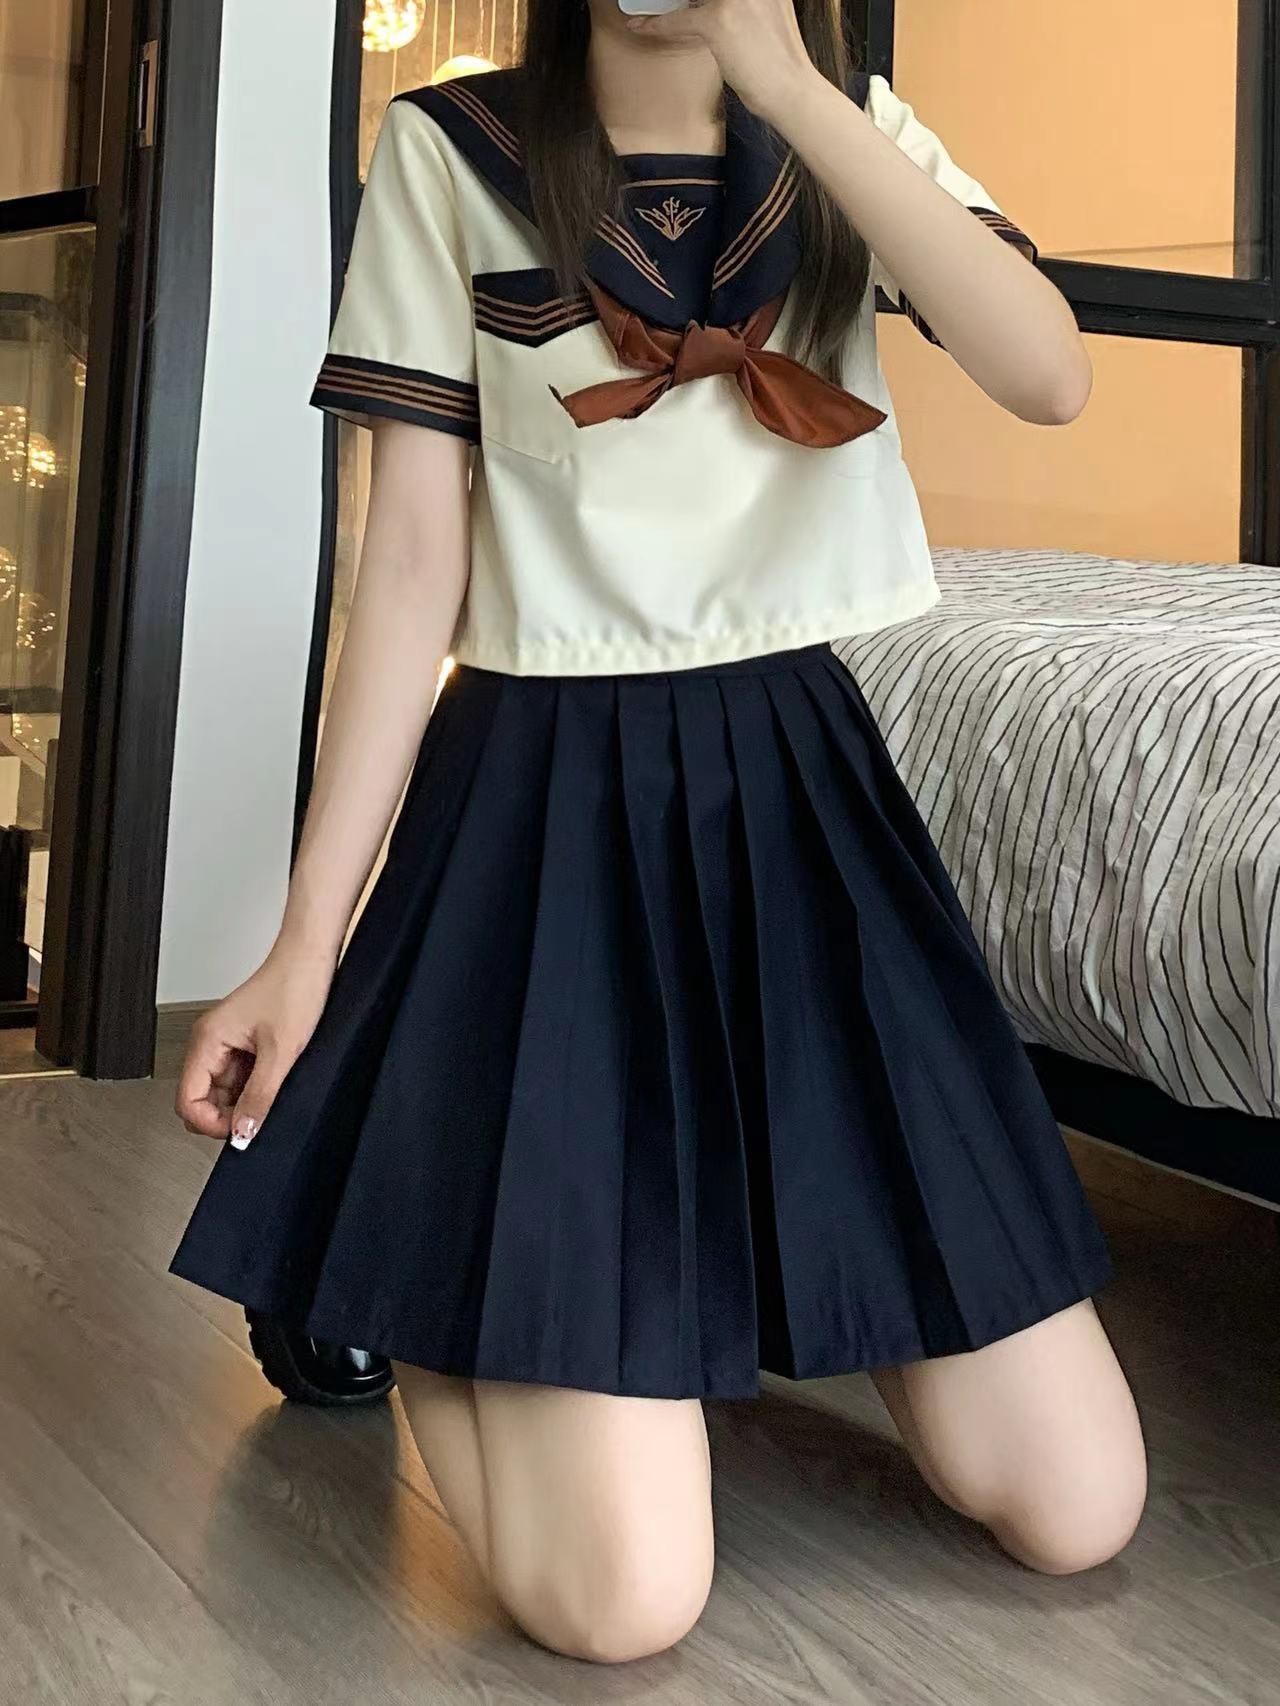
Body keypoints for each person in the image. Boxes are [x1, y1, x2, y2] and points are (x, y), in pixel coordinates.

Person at [170, 0, 1147, 1665]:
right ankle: (426, 1286)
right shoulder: (451, 151)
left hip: (795, 787)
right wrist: (304, 942)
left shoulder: (841, 132)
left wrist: (789, 86)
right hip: (539, 795)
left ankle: (644, 1307)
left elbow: (1047, 373)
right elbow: (408, 566)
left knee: (1082, 1505)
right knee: (623, 1604)